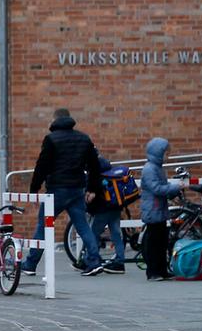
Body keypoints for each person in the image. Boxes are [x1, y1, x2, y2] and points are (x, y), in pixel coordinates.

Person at [25, 108, 105, 277]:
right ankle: (94, 261)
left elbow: (42, 166)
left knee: (43, 225)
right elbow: (94, 166)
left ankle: (30, 264)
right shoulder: (84, 138)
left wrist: (34, 188)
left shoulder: (51, 140)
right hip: (77, 190)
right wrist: (92, 188)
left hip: (56, 190)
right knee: (82, 226)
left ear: (54, 120)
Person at [140, 137, 184, 281]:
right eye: (166, 153)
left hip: (158, 209)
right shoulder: (150, 169)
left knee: (162, 241)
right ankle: (153, 271)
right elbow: (157, 188)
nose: (168, 156)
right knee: (154, 242)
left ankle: (162, 270)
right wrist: (176, 187)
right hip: (153, 210)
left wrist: (172, 192)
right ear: (158, 153)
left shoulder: (157, 168)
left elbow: (161, 188)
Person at [86, 156, 127, 274]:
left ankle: (91, 260)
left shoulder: (95, 178)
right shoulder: (112, 176)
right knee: (116, 235)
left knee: (93, 235)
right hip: (115, 209)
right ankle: (120, 262)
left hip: (102, 211)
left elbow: (91, 198)